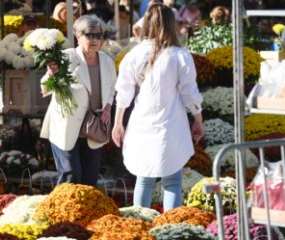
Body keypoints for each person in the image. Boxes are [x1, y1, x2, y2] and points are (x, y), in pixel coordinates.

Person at [112, 3, 203, 211]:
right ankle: (170, 229)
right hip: (171, 122)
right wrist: (198, 120)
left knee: (144, 179)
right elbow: (190, 93)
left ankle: (140, 226)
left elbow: (123, 93)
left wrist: (118, 123)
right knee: (172, 182)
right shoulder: (179, 55)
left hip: (142, 122)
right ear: (172, 24)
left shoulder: (133, 54)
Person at [40, 15, 116, 187]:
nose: (96, 39)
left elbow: (112, 88)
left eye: (99, 35)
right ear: (78, 36)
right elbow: (45, 88)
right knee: (71, 175)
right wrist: (52, 75)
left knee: (89, 180)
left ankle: (86, 214)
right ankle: (63, 212)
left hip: (93, 126)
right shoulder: (66, 58)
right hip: (66, 125)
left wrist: (108, 107)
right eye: (91, 35)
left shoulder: (107, 61)